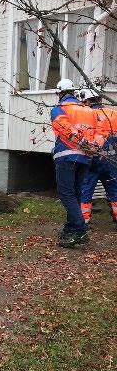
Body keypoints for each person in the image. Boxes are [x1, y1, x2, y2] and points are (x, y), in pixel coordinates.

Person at [50, 79, 97, 248]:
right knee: (76, 194)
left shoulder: (59, 109)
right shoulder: (89, 110)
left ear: (60, 93)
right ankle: (71, 228)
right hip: (86, 158)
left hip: (67, 156)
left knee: (65, 193)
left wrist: (80, 142)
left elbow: (65, 129)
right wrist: (91, 147)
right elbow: (98, 133)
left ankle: (80, 229)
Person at [78, 88, 117, 225]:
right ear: (100, 99)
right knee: (114, 190)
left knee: (86, 189)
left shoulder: (86, 115)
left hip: (92, 159)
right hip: (112, 159)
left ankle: (83, 221)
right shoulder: (113, 113)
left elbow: (82, 139)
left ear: (87, 101)